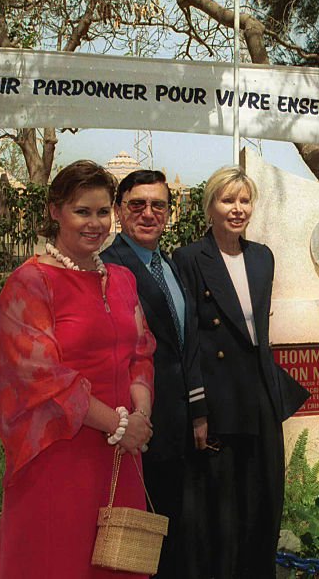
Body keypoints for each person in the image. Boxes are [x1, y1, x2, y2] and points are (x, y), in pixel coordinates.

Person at [0, 160, 155, 579]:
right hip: (58, 455)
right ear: (55, 211)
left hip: (121, 455)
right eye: (83, 211)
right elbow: (40, 376)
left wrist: (140, 415)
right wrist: (120, 424)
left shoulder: (121, 279)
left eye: (103, 212)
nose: (95, 223)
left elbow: (140, 351)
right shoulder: (30, 283)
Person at [173, 166, 310, 579]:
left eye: (244, 200)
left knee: (265, 502)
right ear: (210, 206)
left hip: (260, 397)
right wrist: (198, 409)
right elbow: (190, 337)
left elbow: (259, 334)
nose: (238, 209)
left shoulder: (262, 256)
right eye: (227, 200)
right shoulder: (190, 258)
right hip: (218, 401)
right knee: (222, 512)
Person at [101, 170, 206, 579]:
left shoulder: (172, 264)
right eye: (137, 204)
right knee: (141, 547)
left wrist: (197, 411)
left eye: (158, 204)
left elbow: (185, 346)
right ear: (119, 210)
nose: (148, 213)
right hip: (134, 428)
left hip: (179, 428)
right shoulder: (107, 268)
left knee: (175, 533)